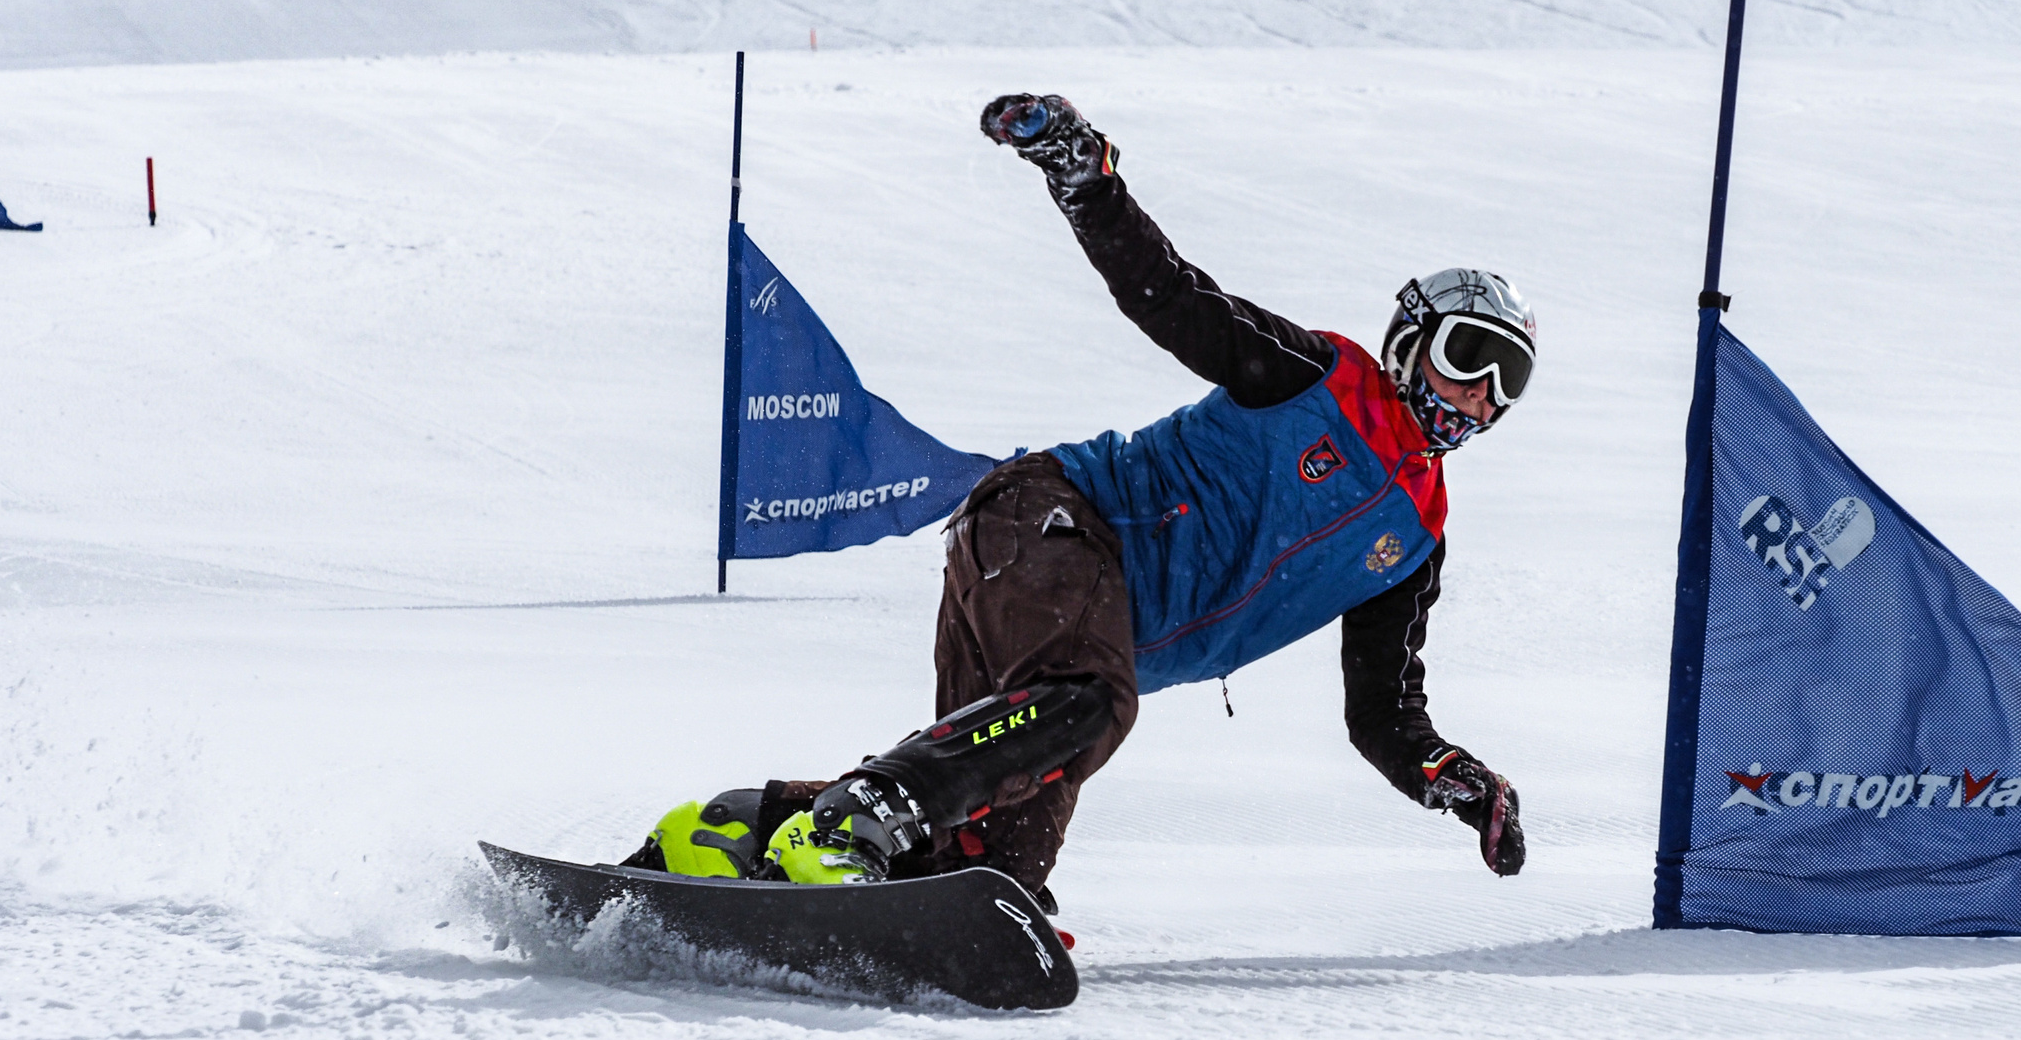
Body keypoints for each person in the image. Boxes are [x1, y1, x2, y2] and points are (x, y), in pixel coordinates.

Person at [626, 93, 1537, 906]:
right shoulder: (1316, 380)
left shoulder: (1414, 539)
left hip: (1065, 614)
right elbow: (1174, 300)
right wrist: (1086, 179)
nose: (1479, 395)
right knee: (1091, 700)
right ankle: (853, 819)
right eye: (1467, 357)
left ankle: (732, 834)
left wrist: (1450, 778)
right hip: (1050, 522)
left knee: (986, 864)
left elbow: (1380, 714)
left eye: (1508, 380)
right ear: (1411, 342)